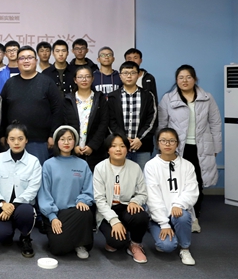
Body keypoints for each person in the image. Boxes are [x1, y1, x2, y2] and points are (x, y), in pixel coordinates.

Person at [158, 64, 222, 233]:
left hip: (201, 147)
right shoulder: (168, 99)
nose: (184, 81)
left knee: (197, 183)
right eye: (181, 77)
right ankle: (177, 215)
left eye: (188, 77)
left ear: (195, 79)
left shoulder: (207, 98)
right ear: (176, 80)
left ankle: (195, 218)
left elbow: (215, 124)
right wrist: (161, 147)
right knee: (177, 182)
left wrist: (216, 147)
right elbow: (162, 125)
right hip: (177, 148)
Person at [0, 46, 63, 165]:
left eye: (30, 57)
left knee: (37, 173)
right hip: (14, 140)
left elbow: (57, 110)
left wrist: (52, 135)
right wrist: (3, 134)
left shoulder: (47, 82)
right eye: (22, 58)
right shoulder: (10, 83)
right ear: (17, 62)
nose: (26, 61)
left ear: (36, 60)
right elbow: (2, 110)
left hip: (40, 141)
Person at [145, 128, 199, 266]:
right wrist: (164, 223)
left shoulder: (187, 165)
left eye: (171, 141)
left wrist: (178, 205)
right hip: (158, 216)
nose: (167, 144)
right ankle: (167, 233)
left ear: (177, 143)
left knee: (183, 216)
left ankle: (185, 249)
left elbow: (191, 191)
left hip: (178, 212)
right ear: (158, 143)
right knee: (167, 246)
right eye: (163, 140)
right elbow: (152, 197)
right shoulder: (151, 166)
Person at [38, 126, 94, 259]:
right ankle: (68, 240)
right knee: (58, 249)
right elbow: (44, 193)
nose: (66, 142)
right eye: (62, 139)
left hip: (75, 212)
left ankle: (81, 244)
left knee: (85, 212)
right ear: (57, 142)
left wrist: (83, 200)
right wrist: (52, 217)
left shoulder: (82, 164)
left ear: (75, 142)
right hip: (55, 213)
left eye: (70, 139)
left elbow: (88, 190)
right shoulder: (48, 164)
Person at [93, 133, 149, 263]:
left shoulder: (135, 167)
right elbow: (99, 199)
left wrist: (135, 201)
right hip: (107, 210)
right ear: (108, 149)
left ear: (127, 149)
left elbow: (143, 194)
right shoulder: (100, 168)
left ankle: (135, 244)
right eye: (114, 146)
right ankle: (117, 238)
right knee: (117, 243)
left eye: (122, 146)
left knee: (141, 216)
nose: (118, 149)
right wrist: (114, 221)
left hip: (126, 207)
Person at [0, 122, 41, 258]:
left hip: (22, 207)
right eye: (12, 139)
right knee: (1, 235)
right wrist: (3, 204)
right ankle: (8, 232)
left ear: (26, 140)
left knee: (26, 212)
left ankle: (25, 237)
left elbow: (33, 189)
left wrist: (12, 206)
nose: (16, 142)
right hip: (1, 207)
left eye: (20, 138)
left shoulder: (34, 162)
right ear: (7, 140)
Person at [108, 61, 157, 170]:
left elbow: (152, 120)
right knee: (120, 177)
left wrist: (140, 139)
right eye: (125, 73)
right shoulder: (112, 97)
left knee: (142, 177)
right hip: (119, 147)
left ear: (138, 75)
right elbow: (110, 121)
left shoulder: (148, 96)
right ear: (120, 76)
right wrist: (123, 140)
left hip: (142, 147)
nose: (129, 76)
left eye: (132, 73)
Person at [63, 66, 109, 171]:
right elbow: (65, 124)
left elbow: (104, 123)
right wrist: (74, 145)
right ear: (75, 80)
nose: (84, 80)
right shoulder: (67, 100)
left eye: (87, 76)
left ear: (92, 79)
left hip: (96, 150)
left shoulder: (100, 99)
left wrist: (92, 146)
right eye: (80, 77)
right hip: (73, 149)